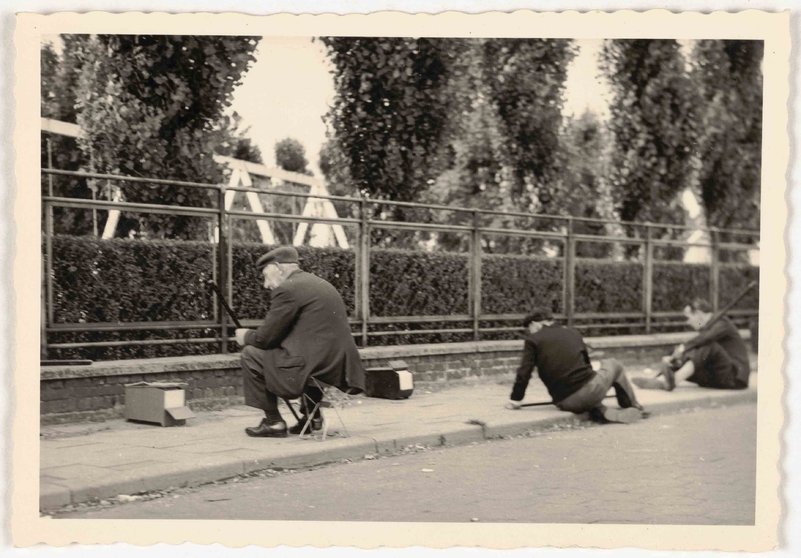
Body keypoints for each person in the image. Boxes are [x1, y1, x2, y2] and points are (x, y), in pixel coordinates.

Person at [236, 246, 365, 438]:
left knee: (250, 355)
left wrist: (245, 336)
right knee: (300, 354)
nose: (265, 284)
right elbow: (304, 334)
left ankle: (273, 422)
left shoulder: (287, 289)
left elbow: (265, 339)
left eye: (265, 275)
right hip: (338, 367)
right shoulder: (321, 284)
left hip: (314, 366)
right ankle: (312, 418)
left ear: (278, 267)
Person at [506, 308, 647, 424]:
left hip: (565, 402)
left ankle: (601, 411)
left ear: (535, 324)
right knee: (614, 364)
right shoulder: (572, 333)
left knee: (586, 394)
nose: (529, 332)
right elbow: (586, 363)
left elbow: (524, 372)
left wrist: (516, 400)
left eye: (528, 328)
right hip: (590, 391)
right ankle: (633, 406)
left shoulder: (533, 340)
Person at [632, 298, 750, 391]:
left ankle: (673, 381)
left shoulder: (722, 323)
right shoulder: (708, 327)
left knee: (707, 346)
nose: (687, 322)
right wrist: (676, 357)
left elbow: (705, 338)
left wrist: (683, 348)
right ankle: (661, 380)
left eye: (688, 317)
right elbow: (700, 337)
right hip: (718, 376)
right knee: (679, 358)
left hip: (735, 377)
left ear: (698, 313)